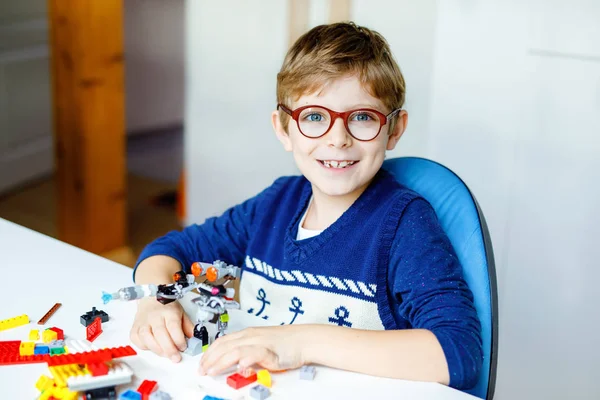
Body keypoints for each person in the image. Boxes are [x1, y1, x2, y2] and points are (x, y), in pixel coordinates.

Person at [130, 22, 482, 390]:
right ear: (283, 129)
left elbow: (458, 353)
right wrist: (155, 302)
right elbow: (170, 250)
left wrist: (299, 342)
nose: (338, 139)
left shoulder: (404, 225)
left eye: (362, 117)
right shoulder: (273, 206)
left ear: (394, 130)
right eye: (314, 117)